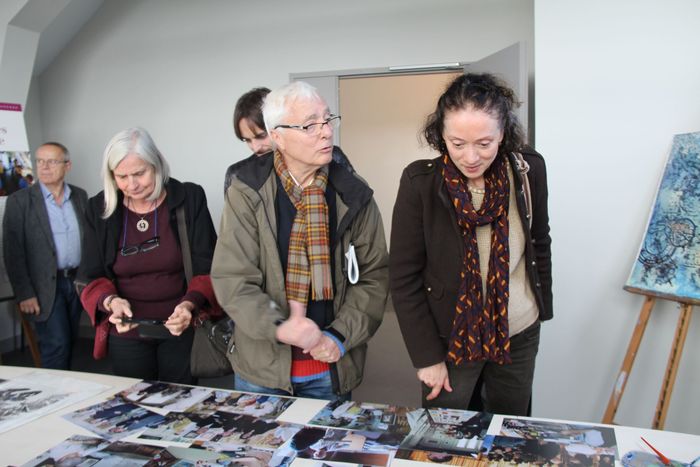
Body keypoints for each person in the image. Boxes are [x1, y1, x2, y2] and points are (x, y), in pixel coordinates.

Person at [212, 81, 389, 401]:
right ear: (277, 136)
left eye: (327, 119)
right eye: (309, 125)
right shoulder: (246, 191)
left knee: (324, 452)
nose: (325, 132)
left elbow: (374, 277)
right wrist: (280, 327)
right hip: (261, 370)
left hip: (329, 368)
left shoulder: (354, 193)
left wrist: (339, 337)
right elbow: (233, 277)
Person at [390, 73, 552, 415]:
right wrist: (427, 356)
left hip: (517, 330)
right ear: (441, 136)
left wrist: (540, 306)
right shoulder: (421, 183)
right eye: (457, 143)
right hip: (450, 337)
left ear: (503, 135)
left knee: (509, 434)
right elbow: (403, 277)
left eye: (484, 143)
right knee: (444, 436)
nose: (471, 156)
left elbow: (539, 241)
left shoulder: (527, 171)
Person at [76, 127, 219, 384]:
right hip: (127, 330)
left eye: (140, 173)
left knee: (182, 402)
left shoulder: (189, 198)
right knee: (134, 402)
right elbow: (90, 273)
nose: (132, 185)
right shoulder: (98, 209)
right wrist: (110, 302)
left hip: (179, 326)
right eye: (122, 176)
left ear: (157, 165)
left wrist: (188, 305)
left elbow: (207, 266)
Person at [3, 142, 87, 369]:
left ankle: (69, 392)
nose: (44, 167)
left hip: (76, 281)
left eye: (52, 161)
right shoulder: (19, 201)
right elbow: (13, 252)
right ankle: (55, 397)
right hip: (42, 286)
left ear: (67, 166)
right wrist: (24, 293)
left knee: (70, 342)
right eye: (40, 161)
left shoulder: (80, 196)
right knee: (56, 344)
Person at [224, 86, 354, 193]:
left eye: (262, 136)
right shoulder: (238, 175)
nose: (256, 147)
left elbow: (354, 199)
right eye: (247, 140)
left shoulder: (333, 156)